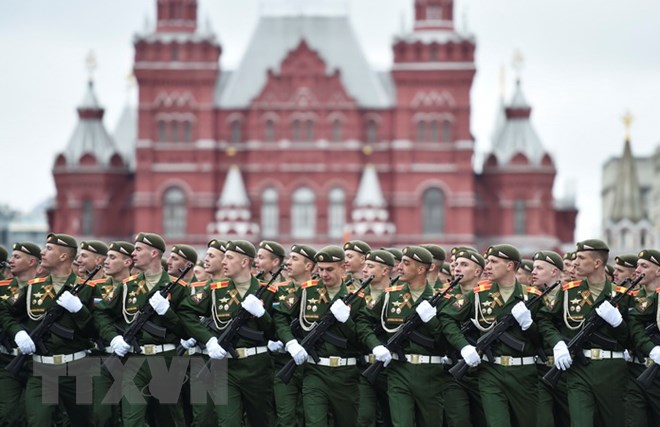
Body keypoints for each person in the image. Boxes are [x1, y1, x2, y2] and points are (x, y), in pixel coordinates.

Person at [179, 240, 277, 427]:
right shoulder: (216, 290)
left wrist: (262, 315)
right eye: (223, 257)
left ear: (245, 262)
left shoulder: (268, 291)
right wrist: (209, 340)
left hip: (257, 367)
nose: (224, 262)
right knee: (227, 421)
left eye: (229, 258)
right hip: (224, 367)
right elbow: (186, 311)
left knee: (262, 420)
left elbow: (275, 333)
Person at [94, 232, 189, 427]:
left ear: (154, 253)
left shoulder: (177, 287)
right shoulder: (128, 286)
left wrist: (167, 312)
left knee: (168, 420)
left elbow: (186, 331)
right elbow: (102, 313)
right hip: (134, 362)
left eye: (138, 249)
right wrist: (113, 338)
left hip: (166, 360)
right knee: (132, 420)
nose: (133, 253)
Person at [2, 233, 96, 426]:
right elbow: (5, 312)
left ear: (63, 257)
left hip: (77, 369)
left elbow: (96, 332)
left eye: (49, 249)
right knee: (38, 421)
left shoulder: (88, 288)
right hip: (41, 369)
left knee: (85, 422)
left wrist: (80, 311)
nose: (43, 253)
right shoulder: (33, 288)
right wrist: (18, 332)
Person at [442, 244, 541, 427]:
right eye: (487, 261)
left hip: (524, 373)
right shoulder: (479, 295)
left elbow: (543, 338)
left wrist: (529, 324)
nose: (487, 266)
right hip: (490, 372)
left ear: (510, 265)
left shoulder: (532, 297)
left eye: (493, 262)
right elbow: (448, 319)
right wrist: (464, 346)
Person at [538, 239, 630, 427]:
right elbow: (545, 320)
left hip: (612, 370)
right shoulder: (569, 292)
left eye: (581, 258)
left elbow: (631, 338)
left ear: (597, 263)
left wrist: (618, 323)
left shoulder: (621, 295)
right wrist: (558, 343)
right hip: (579, 369)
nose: (575, 263)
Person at [358, 246, 448, 427]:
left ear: (421, 269)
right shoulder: (391, 295)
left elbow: (448, 340)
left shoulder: (441, 298)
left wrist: (431, 320)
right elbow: (363, 321)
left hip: (430, 374)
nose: (399, 267)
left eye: (406, 264)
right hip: (398, 370)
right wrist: (376, 345)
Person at [275, 246, 364, 427]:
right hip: (315, 372)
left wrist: (346, 321)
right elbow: (281, 316)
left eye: (329, 269)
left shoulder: (357, 297)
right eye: (321, 269)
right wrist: (291, 343)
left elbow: (362, 339)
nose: (324, 274)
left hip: (345, 375)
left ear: (342, 268)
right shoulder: (308, 291)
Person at [271, 244, 317, 427]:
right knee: (285, 417)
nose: (288, 263)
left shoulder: (320, 291)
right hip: (284, 361)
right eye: (288, 258)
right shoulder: (280, 290)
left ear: (308, 266)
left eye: (294, 259)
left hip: (314, 365)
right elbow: (276, 321)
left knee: (313, 416)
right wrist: (288, 342)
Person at [90, 241, 134, 427]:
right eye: (106, 256)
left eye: (112, 257)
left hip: (133, 358)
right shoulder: (94, 287)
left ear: (127, 262)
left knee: (131, 415)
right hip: (103, 357)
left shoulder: (138, 287)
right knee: (101, 415)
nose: (106, 261)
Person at [441, 249, 487, 427]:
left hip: (484, 372)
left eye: (464, 265)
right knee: (458, 421)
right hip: (453, 370)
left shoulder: (490, 298)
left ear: (477, 271)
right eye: (456, 264)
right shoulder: (444, 298)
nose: (457, 268)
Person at [0, 242, 42, 426]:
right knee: (8, 414)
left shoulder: (46, 289)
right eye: (12, 256)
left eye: (17, 257)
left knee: (36, 416)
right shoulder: (3, 288)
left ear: (32, 261)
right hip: (7, 360)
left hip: (38, 363)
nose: (11, 260)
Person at [356, 249, 396, 427]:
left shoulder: (398, 297)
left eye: (370, 266)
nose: (364, 270)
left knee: (392, 417)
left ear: (385, 271)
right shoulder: (357, 297)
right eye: (364, 265)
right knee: (364, 418)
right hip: (364, 367)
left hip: (393, 368)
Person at [530, 250, 570, 427]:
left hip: (568, 370)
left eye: (539, 268)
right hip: (540, 369)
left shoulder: (571, 296)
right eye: (533, 268)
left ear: (554, 272)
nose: (533, 272)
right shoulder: (531, 297)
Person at [625, 249, 660, 426]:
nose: (637, 270)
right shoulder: (631, 298)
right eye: (637, 265)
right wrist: (652, 349)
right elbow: (633, 326)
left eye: (644, 266)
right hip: (636, 371)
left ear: (658, 271)